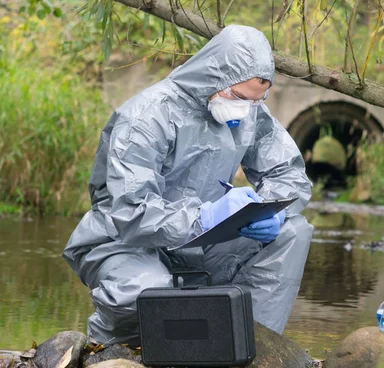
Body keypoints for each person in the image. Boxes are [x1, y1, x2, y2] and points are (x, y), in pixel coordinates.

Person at [63, 25, 314, 346]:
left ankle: (248, 343)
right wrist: (206, 217)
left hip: (203, 241)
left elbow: (288, 173)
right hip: (124, 241)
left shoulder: (249, 110)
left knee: (293, 231)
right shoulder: (145, 117)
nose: (245, 109)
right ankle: (109, 348)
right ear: (214, 76)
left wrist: (270, 211)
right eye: (239, 97)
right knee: (145, 294)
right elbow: (131, 212)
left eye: (257, 100)